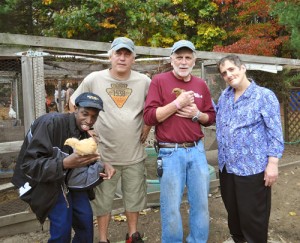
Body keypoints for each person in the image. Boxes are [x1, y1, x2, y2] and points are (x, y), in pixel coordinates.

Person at [69, 37, 151, 243]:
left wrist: (147, 126)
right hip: (103, 156)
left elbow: (152, 108)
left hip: (134, 153)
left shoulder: (144, 81)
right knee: (103, 200)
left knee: (133, 199)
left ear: (134, 58)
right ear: (110, 56)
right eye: (118, 53)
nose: (122, 58)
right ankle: (103, 239)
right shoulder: (94, 79)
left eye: (127, 54)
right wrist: (86, 129)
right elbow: (73, 103)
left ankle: (132, 234)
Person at [11, 92, 116, 242]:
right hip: (41, 181)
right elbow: (29, 165)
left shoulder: (84, 133)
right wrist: (64, 163)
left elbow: (84, 159)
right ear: (75, 109)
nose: (89, 120)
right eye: (85, 114)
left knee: (86, 222)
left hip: (67, 180)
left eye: (94, 116)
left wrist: (103, 165)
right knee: (62, 228)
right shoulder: (50, 123)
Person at [143, 40, 216, 243]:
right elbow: (149, 117)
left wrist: (197, 114)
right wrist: (177, 104)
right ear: (171, 59)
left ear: (194, 61)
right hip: (170, 153)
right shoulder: (159, 81)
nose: (183, 62)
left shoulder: (200, 84)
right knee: (171, 205)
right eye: (179, 57)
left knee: (201, 203)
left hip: (196, 151)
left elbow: (211, 117)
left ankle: (198, 240)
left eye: (188, 58)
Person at [215, 55, 284, 243]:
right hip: (227, 167)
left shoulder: (264, 95)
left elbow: (275, 132)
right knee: (234, 213)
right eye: (224, 73)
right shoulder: (225, 96)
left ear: (243, 68)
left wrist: (273, 163)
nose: (228, 75)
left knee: (252, 217)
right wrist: (196, 112)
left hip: (252, 168)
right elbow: (218, 119)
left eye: (231, 69)